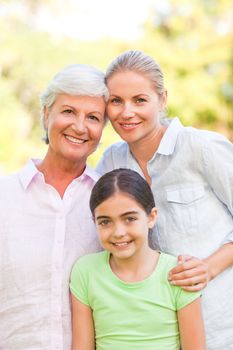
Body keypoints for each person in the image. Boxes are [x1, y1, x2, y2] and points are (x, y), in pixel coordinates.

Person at [96, 50, 233, 349]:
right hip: (159, 331)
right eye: (116, 101)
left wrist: (209, 266)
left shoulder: (199, 147)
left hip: (220, 325)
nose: (126, 112)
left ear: (163, 99)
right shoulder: (111, 162)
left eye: (140, 100)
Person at [0, 63, 108, 350]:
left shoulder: (110, 204)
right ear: (46, 113)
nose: (80, 126)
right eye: (69, 111)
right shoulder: (4, 196)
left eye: (94, 117)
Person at [70, 168, 206, 350]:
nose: (118, 232)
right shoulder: (85, 271)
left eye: (129, 219)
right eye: (105, 222)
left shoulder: (179, 273)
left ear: (151, 217)